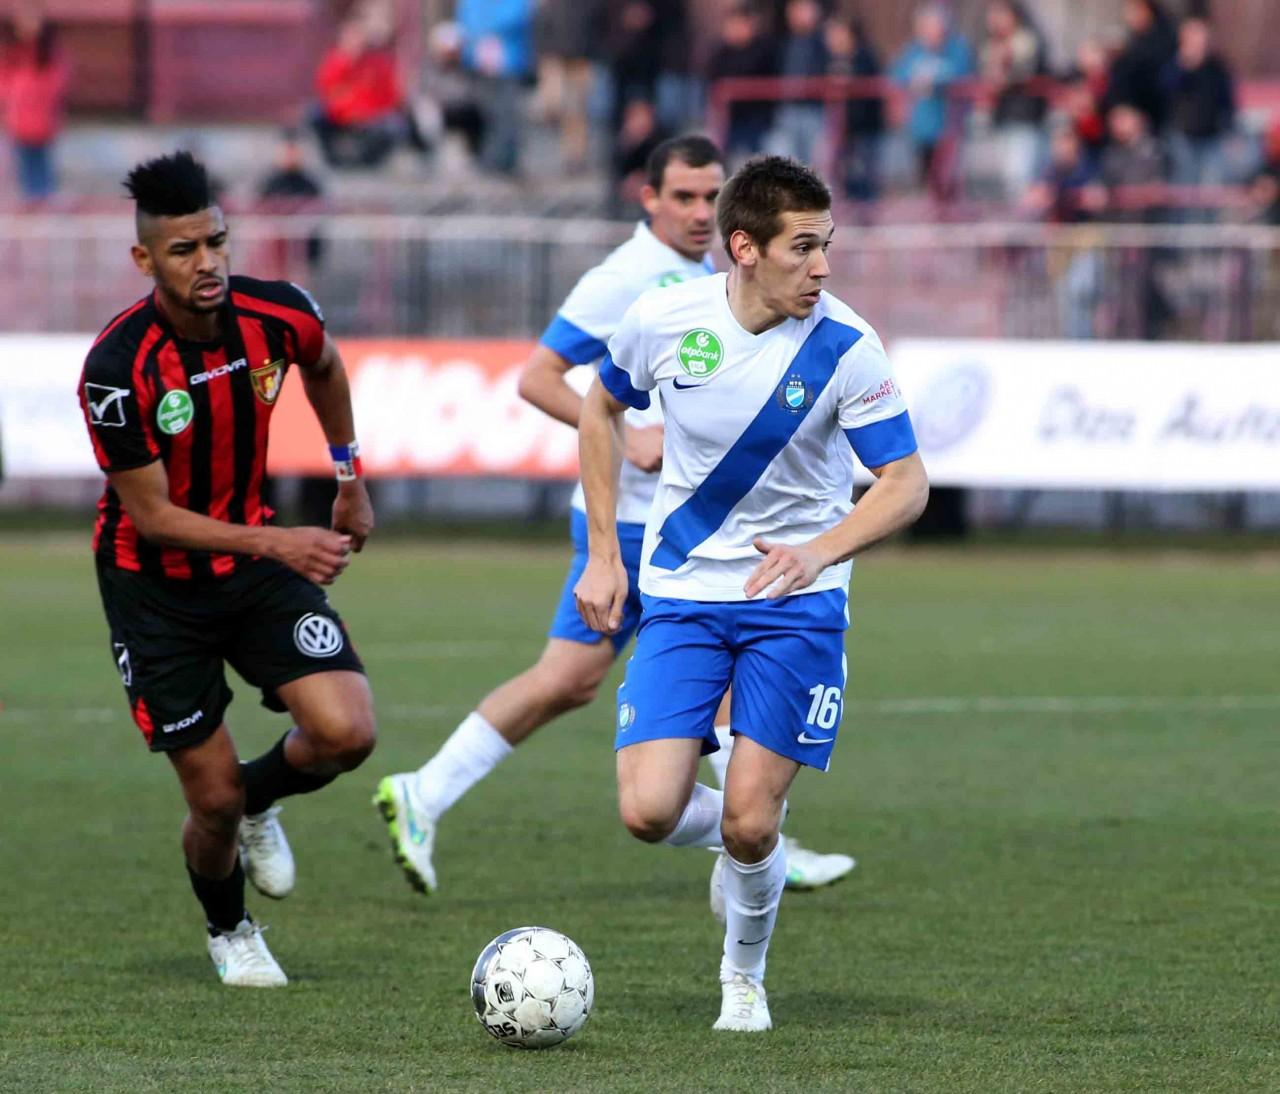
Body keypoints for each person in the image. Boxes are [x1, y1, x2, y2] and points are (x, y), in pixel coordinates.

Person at [373, 136, 855, 900]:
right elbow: (539, 378)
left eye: (710, 196)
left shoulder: (719, 280)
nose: (698, 211)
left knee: (584, 682)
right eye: (683, 197)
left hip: (688, 522)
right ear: (648, 198)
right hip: (637, 523)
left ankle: (753, 835)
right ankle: (755, 839)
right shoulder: (627, 278)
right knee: (603, 678)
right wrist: (629, 440)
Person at [574, 155, 927, 1031]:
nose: (823, 267)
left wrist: (820, 552)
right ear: (745, 248)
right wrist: (603, 555)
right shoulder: (664, 319)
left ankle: (743, 977)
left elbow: (906, 482)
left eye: (827, 245)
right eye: (803, 247)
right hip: (683, 592)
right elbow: (598, 407)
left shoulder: (848, 346)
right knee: (647, 811)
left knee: (750, 826)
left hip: (795, 605)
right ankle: (742, 853)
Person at [77, 151, 376, 988]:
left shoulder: (278, 314)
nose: (207, 262)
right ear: (145, 259)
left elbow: (325, 365)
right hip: (154, 589)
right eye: (184, 250)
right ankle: (231, 928)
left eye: (215, 241)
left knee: (347, 733)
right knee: (209, 801)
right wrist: (282, 543)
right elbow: (153, 517)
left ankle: (260, 797)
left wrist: (348, 477)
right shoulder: (117, 369)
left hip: (248, 565)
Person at [890, 3, 974, 192]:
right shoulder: (913, 52)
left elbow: (963, 77)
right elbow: (898, 77)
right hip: (921, 128)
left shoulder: (958, 50)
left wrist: (936, 83)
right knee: (925, 178)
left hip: (950, 127)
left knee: (948, 181)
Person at [0, 8, 68, 200]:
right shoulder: (13, 52)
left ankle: (43, 198)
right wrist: (14, 97)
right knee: (24, 167)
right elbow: (4, 79)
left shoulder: (49, 53)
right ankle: (31, 200)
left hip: (42, 118)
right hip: (19, 119)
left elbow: (57, 80)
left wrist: (36, 96)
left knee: (41, 165)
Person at [1164, 16, 1236, 189]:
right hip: (1182, 137)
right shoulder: (1175, 65)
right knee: (1184, 186)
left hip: (1212, 137)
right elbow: (1167, 89)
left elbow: (1227, 102)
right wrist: (1185, 65)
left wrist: (1229, 129)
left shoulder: (1217, 68)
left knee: (1211, 188)